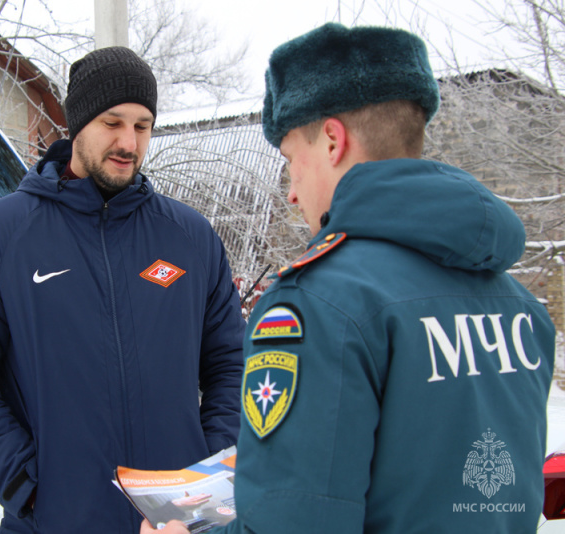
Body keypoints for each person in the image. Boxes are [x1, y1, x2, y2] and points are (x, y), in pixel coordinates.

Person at [142, 22, 555, 534]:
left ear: (333, 141)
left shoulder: (319, 305)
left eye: (291, 160)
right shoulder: (519, 306)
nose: (291, 193)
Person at [0, 46, 246, 533]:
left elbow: (231, 363)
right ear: (77, 124)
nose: (128, 142)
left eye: (142, 126)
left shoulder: (189, 237)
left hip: (174, 526)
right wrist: (26, 484)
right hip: (55, 520)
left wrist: (205, 469)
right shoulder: (1, 234)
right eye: (111, 122)